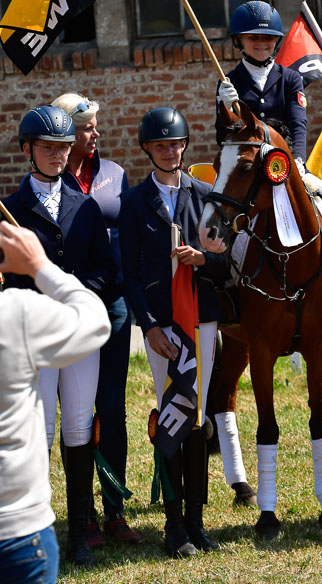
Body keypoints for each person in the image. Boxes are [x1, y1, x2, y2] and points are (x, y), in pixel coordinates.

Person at [3, 105, 114, 567]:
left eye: (63, 148)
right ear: (28, 150)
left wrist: (78, 293)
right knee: (42, 428)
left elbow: (105, 270)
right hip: (34, 332)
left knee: (78, 426)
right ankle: (40, 525)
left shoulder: (85, 205)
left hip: (76, 330)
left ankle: (79, 533)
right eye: (47, 148)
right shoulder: (11, 208)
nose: (55, 156)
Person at [119, 106, 226, 558]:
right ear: (147, 148)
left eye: (175, 143)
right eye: (160, 145)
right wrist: (148, 325)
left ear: (185, 146)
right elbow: (128, 273)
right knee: (172, 416)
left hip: (201, 318)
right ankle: (173, 524)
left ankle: (198, 521)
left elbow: (229, 262)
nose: (169, 150)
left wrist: (204, 260)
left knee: (199, 419)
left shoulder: (205, 195)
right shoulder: (133, 203)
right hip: (163, 327)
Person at [215, 0, 322, 318]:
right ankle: (228, 288)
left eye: (267, 38)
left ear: (276, 41)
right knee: (220, 218)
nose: (261, 43)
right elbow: (223, 137)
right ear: (239, 41)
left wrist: (296, 159)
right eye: (253, 37)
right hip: (249, 172)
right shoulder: (228, 83)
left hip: (287, 166)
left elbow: (298, 122)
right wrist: (225, 108)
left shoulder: (290, 78)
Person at [51, 92, 140, 546]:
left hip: (113, 306)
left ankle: (114, 512)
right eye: (86, 127)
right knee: (77, 416)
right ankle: (81, 515)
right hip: (67, 311)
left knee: (112, 408)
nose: (95, 133)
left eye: (94, 125)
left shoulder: (114, 175)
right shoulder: (50, 180)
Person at [0, 221, 110, 584]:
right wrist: (39, 266)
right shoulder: (14, 313)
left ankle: (81, 529)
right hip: (17, 529)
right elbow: (94, 321)